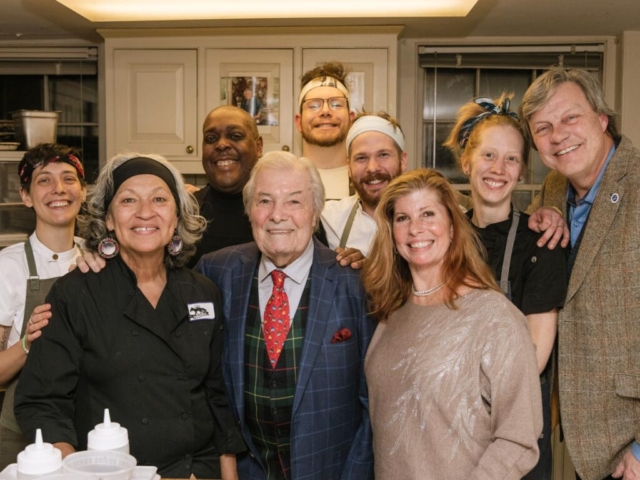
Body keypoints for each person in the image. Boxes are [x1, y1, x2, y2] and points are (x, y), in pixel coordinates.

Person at [14, 153, 245, 479]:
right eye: (128, 200)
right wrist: (76, 471)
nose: (145, 212)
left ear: (176, 215)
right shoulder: (76, 293)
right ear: (108, 219)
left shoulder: (202, 291)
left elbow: (217, 395)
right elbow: (41, 402)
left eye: (160, 199)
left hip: (195, 472)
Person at [195, 151, 375, 479]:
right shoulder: (216, 273)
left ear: (316, 211)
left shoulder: (357, 283)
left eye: (294, 201)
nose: (277, 215)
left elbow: (373, 407)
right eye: (264, 201)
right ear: (249, 210)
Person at [362, 168, 542, 480]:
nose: (415, 228)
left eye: (428, 214)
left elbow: (519, 438)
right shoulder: (391, 312)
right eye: (402, 218)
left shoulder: (494, 317)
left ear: (453, 227)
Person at [519, 67, 640, 480]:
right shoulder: (554, 188)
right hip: (577, 433)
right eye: (543, 127)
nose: (558, 135)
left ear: (602, 118)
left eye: (571, 118)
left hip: (631, 441)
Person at [443, 93, 569, 480]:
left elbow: (536, 358)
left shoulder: (541, 245)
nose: (499, 168)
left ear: (521, 171)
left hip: (513, 426)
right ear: (466, 162)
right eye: (488, 156)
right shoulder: (441, 238)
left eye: (512, 158)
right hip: (448, 422)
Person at [0, 144, 86, 468]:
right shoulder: (7, 267)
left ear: (84, 191)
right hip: (23, 436)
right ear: (25, 196)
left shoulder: (101, 261)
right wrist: (28, 342)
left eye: (68, 178)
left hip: (89, 424)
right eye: (44, 180)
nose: (59, 189)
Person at [321, 111, 407, 257]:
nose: (372, 167)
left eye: (383, 155)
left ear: (403, 161)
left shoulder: (425, 219)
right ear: (349, 167)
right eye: (361, 158)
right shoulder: (327, 219)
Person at [188, 105, 263, 267]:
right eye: (211, 138)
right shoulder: (184, 213)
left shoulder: (287, 211)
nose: (221, 145)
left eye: (235, 136)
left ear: (258, 147)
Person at [295, 61, 355, 200]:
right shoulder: (281, 180)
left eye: (336, 104)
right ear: (299, 122)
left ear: (351, 119)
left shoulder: (368, 181)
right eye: (314, 105)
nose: (326, 111)